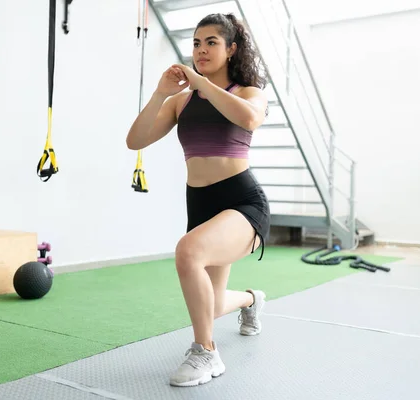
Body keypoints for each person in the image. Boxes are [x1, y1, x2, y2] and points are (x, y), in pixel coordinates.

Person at [126, 12, 270, 387]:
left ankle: (205, 353)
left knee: (187, 251)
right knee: (213, 303)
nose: (201, 50)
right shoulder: (182, 102)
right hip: (202, 206)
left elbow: (250, 120)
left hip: (242, 203)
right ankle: (252, 300)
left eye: (211, 42)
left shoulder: (248, 93)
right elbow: (135, 140)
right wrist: (161, 94)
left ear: (232, 49)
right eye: (196, 43)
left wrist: (203, 85)